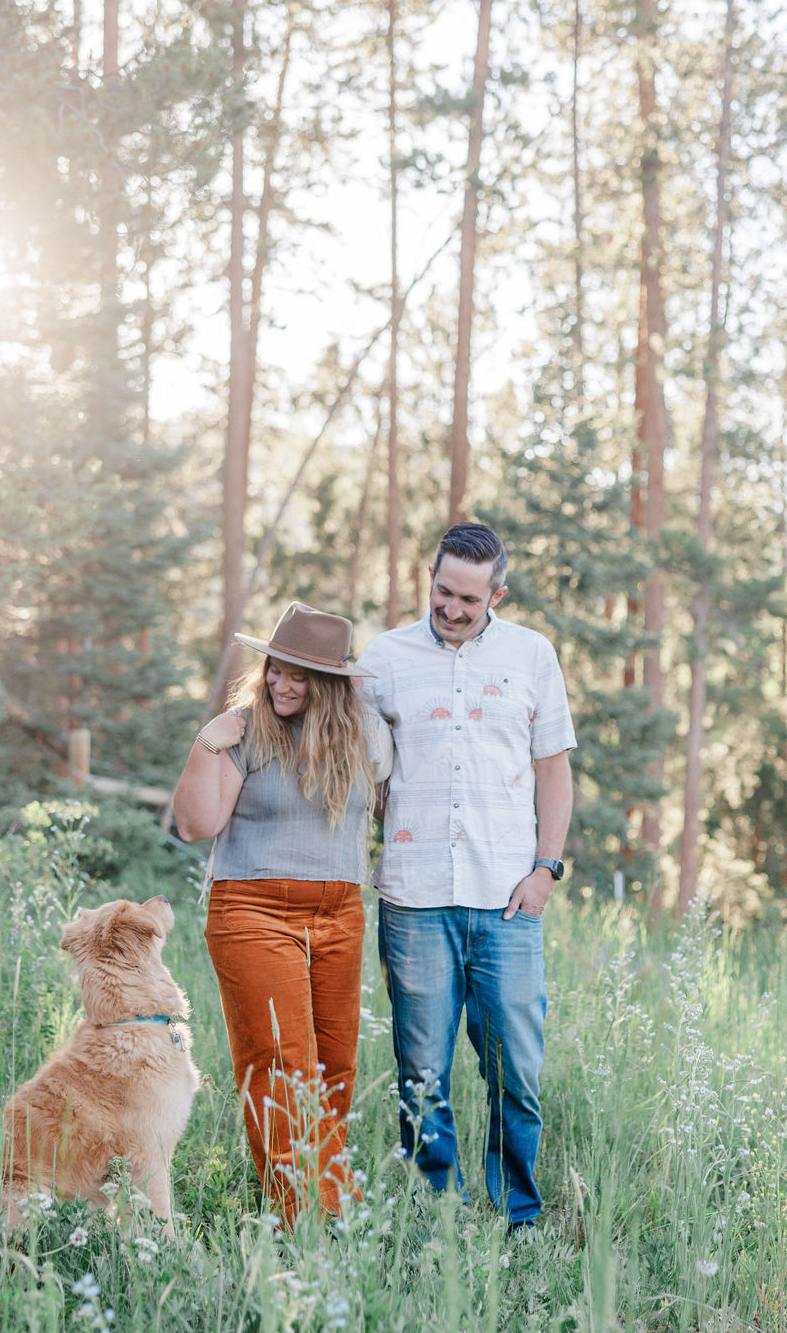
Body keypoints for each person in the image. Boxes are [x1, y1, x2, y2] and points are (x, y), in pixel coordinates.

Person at [357, 523, 576, 1231]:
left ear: (497, 594)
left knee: (517, 1072)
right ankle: (434, 1216)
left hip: (508, 899)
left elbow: (554, 771)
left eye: (470, 599)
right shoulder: (384, 658)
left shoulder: (532, 655)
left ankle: (518, 1213)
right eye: (443, 591)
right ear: (430, 576)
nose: (453, 608)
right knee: (421, 1072)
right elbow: (357, 762)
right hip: (414, 897)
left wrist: (545, 868)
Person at [173, 601, 391, 1228]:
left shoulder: (367, 737)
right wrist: (205, 743)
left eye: (297, 675)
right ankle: (310, 1223)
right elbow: (196, 824)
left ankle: (323, 1202)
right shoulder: (244, 729)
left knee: (334, 1068)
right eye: (275, 669)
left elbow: (394, 808)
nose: (280, 683)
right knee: (280, 1063)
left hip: (341, 910)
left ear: (328, 685)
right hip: (251, 909)